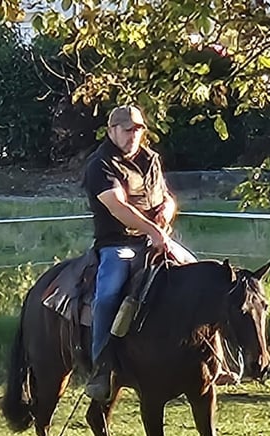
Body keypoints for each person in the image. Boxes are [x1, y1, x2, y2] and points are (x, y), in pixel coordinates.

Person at [82, 104, 194, 403]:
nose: (134, 135)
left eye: (138, 129)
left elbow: (167, 198)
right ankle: (102, 367)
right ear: (112, 131)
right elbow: (117, 206)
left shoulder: (151, 159)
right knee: (107, 296)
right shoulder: (100, 165)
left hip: (155, 240)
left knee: (200, 279)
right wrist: (153, 231)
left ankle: (211, 357)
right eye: (128, 129)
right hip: (118, 246)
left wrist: (166, 215)